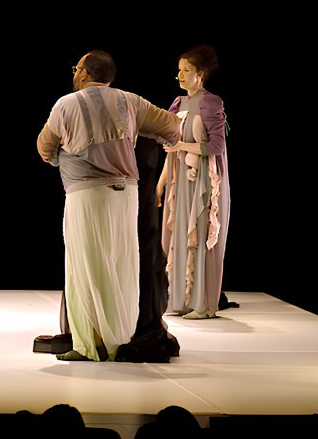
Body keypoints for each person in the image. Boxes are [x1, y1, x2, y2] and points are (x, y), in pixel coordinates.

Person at [36, 51, 179, 361]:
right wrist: (137, 136)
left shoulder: (66, 104)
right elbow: (172, 127)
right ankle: (117, 341)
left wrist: (66, 159)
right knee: (121, 267)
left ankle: (88, 345)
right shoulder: (130, 101)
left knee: (84, 268)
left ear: (85, 74)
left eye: (76, 69)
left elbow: (44, 148)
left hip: (86, 195)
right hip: (126, 195)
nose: (74, 73)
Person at [157, 45, 230, 320]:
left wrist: (181, 147)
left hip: (203, 182)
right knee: (178, 234)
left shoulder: (210, 102)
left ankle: (202, 303)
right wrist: (161, 183)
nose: (181, 75)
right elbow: (169, 145)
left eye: (186, 71)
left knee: (200, 234)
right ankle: (179, 299)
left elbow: (216, 146)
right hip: (180, 180)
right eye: (179, 70)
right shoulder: (177, 103)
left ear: (200, 74)